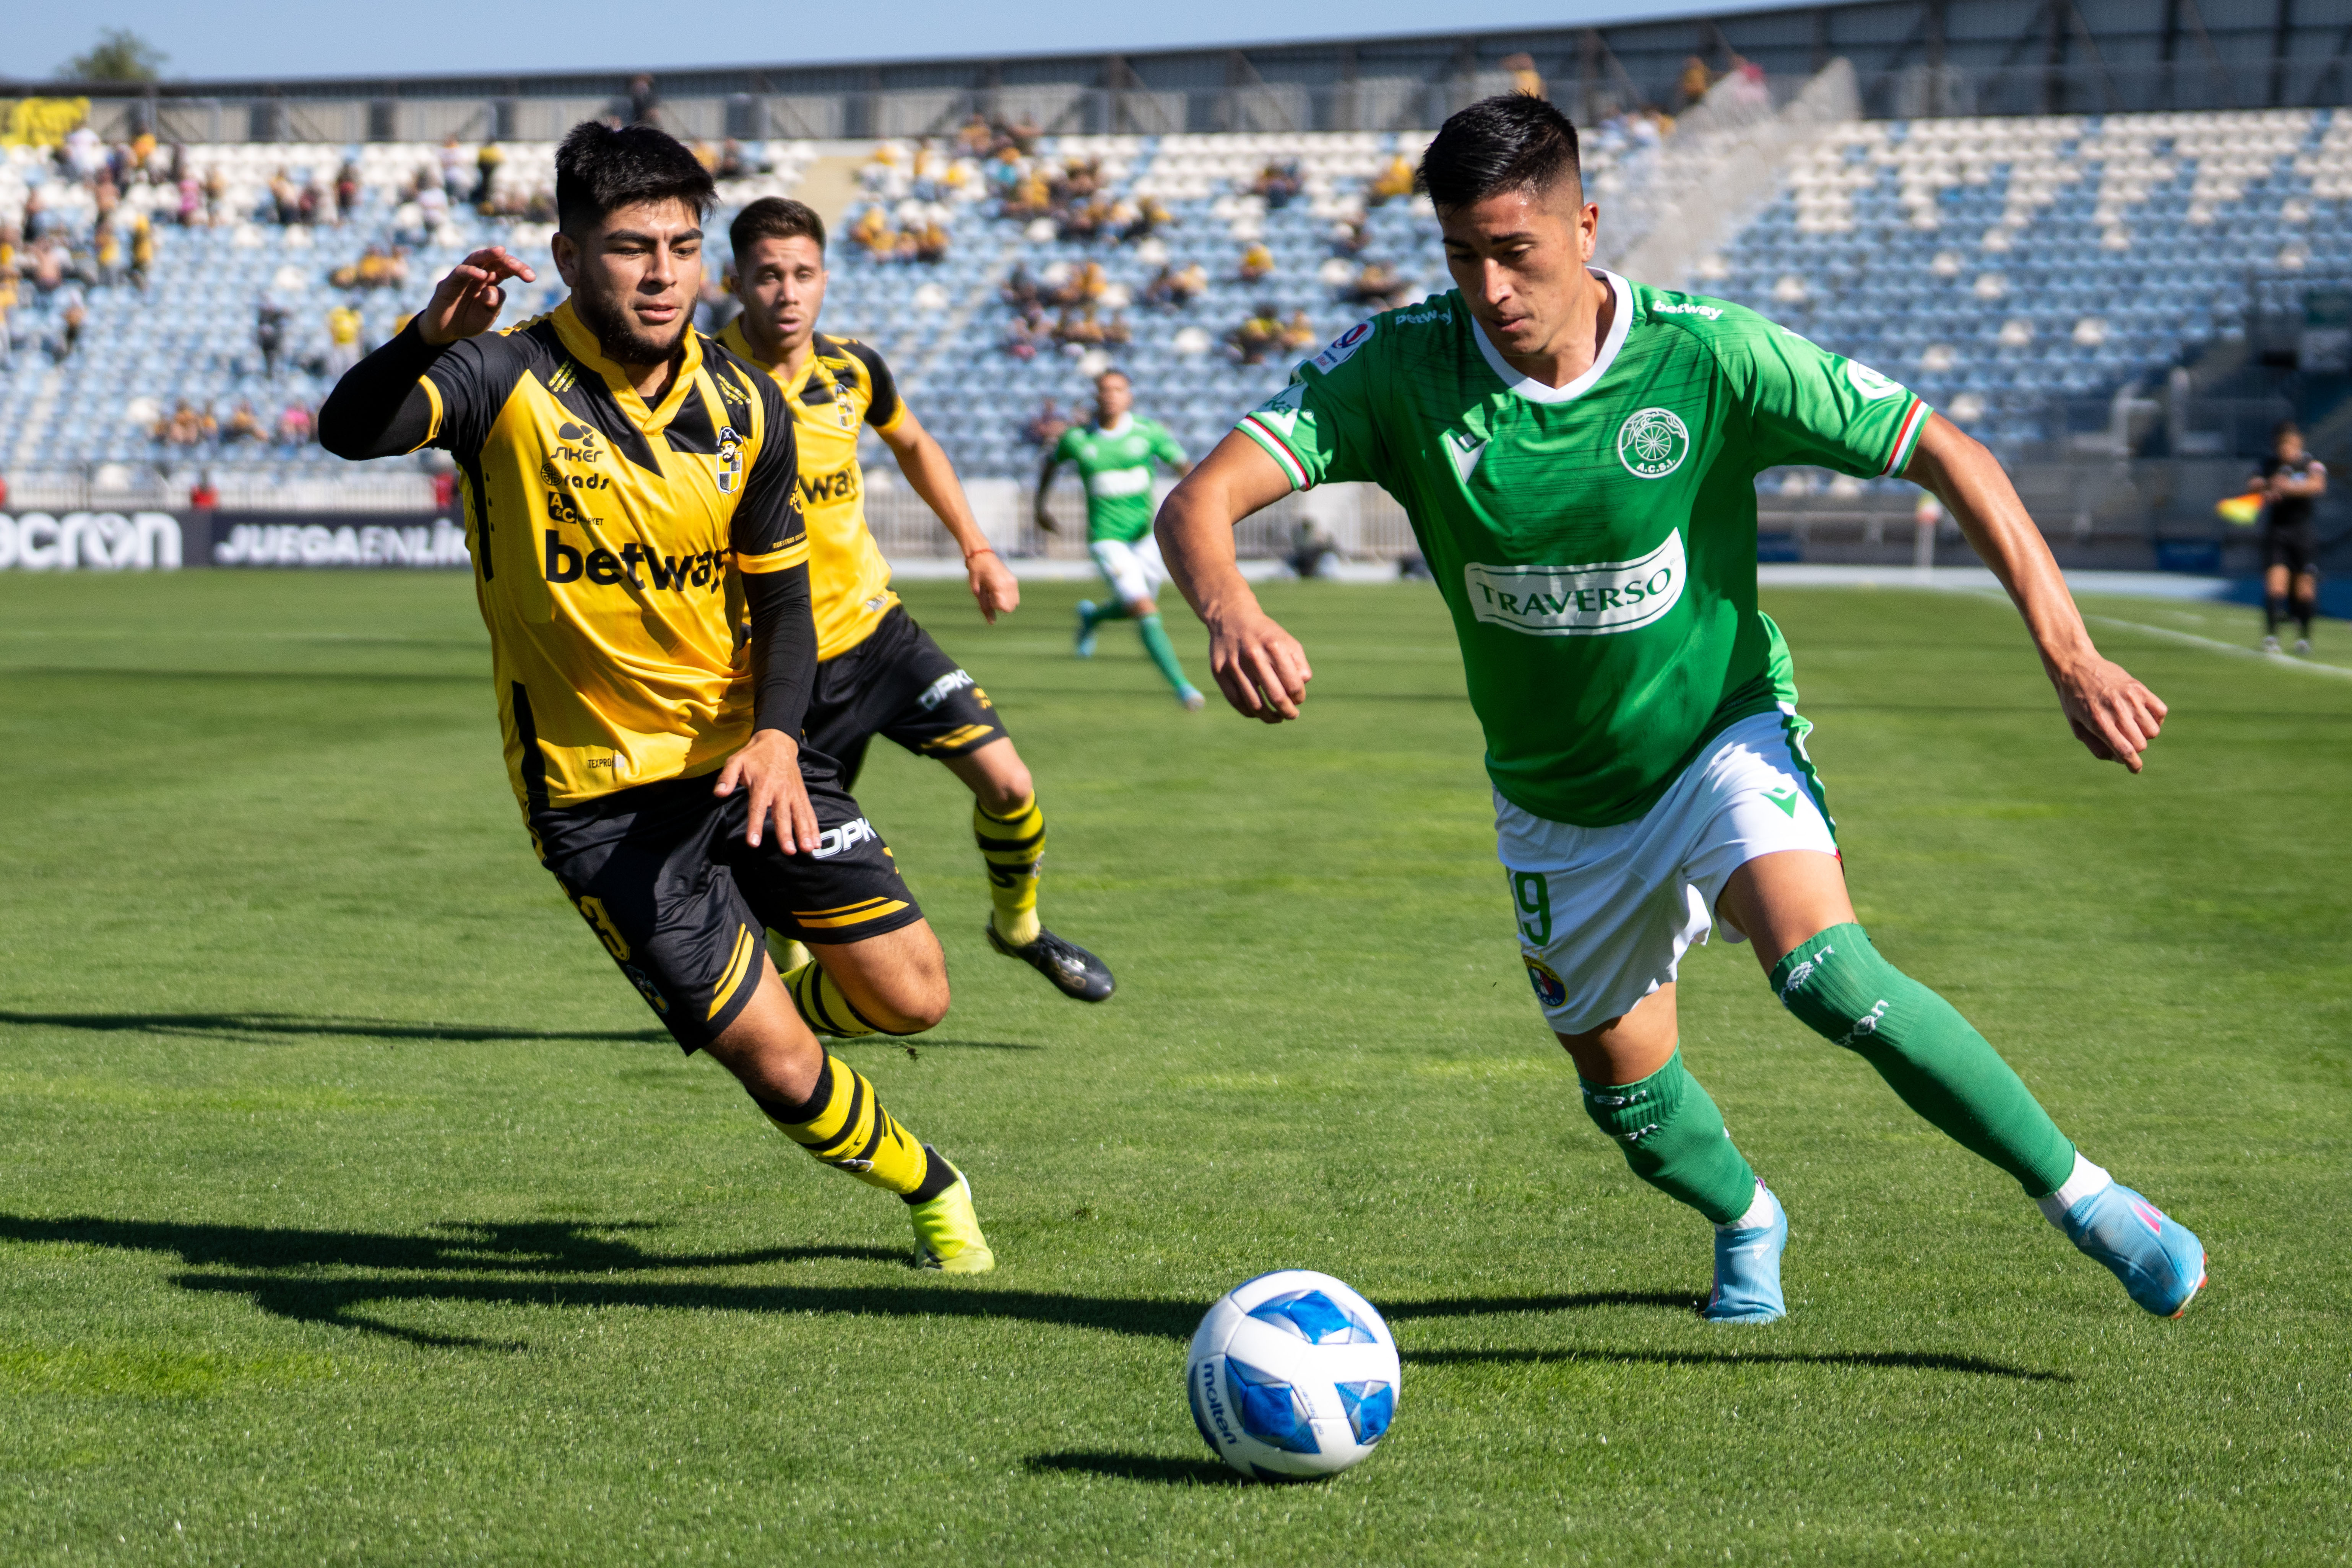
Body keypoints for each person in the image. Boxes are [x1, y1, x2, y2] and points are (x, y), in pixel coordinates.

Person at [1155, 94, 2204, 1324]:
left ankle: (2085, 1198)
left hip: (1719, 732)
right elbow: (1197, 504)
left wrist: (2068, 651)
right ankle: (1744, 1213)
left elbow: (1942, 449)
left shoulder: (1707, 354)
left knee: (1824, 971)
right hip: (1555, 803)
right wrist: (1228, 607)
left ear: (1584, 224)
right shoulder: (1396, 369)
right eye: (1460, 256)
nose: (1489, 288)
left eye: (1515, 251)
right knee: (1628, 1100)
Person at [317, 123, 994, 1274]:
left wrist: (780, 739)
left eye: (682, 246)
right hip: (601, 803)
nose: (664, 272)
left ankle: (774, 981)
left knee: (915, 996)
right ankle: (932, 1186)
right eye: (632, 248)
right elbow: (350, 430)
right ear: (570, 255)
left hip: (748, 760)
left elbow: (786, 606)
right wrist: (427, 334)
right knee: (780, 1067)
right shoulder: (502, 377)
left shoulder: (748, 407)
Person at [720, 196, 1115, 1006]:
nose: (787, 294)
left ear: (825, 278)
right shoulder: (702, 378)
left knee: (1008, 782)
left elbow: (913, 441)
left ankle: (1019, 928)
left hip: (877, 634)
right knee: (791, 884)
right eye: (767, 276)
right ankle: (797, 1009)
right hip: (781, 667)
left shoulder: (853, 369)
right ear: (736, 281)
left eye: (802, 274)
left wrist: (977, 547)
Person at [1038, 370, 1203, 710]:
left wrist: (1196, 508)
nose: (1111, 395)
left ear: (1129, 396)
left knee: (1136, 606)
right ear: (1096, 396)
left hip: (1145, 538)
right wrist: (1040, 507)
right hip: (1106, 539)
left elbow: (1186, 466)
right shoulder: (1078, 440)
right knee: (1145, 608)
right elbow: (1050, 464)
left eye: (1118, 389)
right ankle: (1183, 688)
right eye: (1105, 389)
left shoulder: (1149, 433)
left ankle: (1092, 618)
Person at [2249, 421, 2324, 653]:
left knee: (2305, 589)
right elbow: (2254, 485)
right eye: (2282, 445)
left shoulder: (2310, 464)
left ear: (2298, 443)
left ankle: (2304, 638)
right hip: (2278, 533)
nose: (2286, 450)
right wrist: (2267, 486)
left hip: (2303, 534)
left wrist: (2286, 487)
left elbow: (2317, 486)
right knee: (2276, 586)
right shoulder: (2269, 465)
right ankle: (2272, 637)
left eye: (2290, 444)